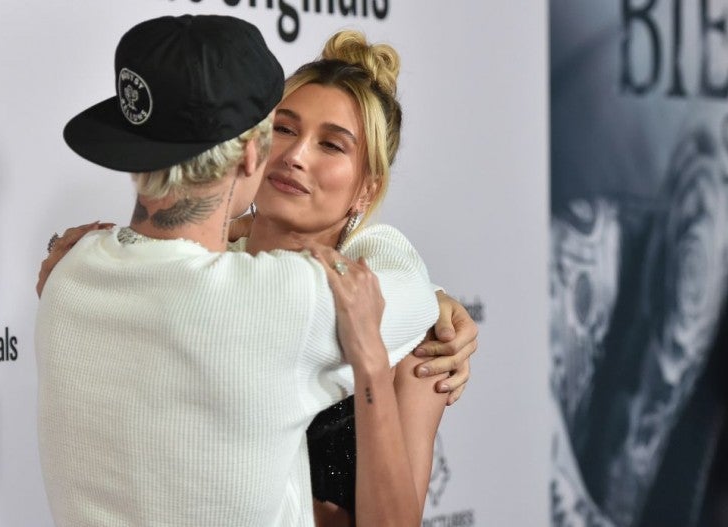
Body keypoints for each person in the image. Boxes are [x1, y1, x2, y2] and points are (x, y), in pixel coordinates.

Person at [39, 26, 478, 526]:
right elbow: (402, 286)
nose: (294, 155)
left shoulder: (418, 341)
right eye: (284, 129)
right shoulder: (281, 296)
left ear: (366, 188)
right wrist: (429, 293)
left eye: (332, 145)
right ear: (253, 150)